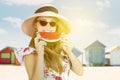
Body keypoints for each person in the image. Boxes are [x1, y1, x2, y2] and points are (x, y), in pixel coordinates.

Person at [15, 4, 83, 80]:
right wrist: (40, 54)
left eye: (53, 23)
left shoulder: (63, 51)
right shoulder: (30, 53)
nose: (48, 27)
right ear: (35, 25)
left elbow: (80, 72)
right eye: (43, 22)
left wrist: (69, 52)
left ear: (56, 26)